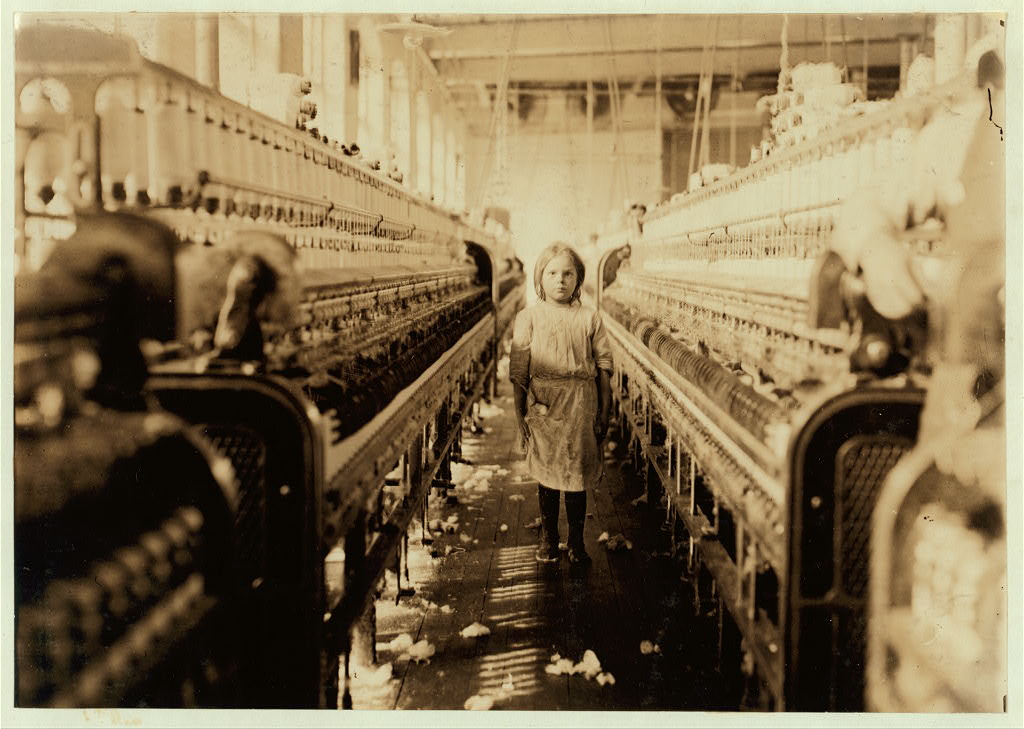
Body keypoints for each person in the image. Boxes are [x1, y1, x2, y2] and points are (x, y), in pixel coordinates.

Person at [508, 243, 614, 565]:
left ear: (578, 278)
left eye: (568, 273)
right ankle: (549, 539)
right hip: (543, 404)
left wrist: (605, 413)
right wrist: (519, 417)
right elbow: (518, 374)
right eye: (552, 273)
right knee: (548, 475)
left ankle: (577, 542)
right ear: (540, 277)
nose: (560, 280)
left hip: (582, 404)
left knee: (577, 477)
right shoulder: (528, 318)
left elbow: (605, 367)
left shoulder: (589, 317)